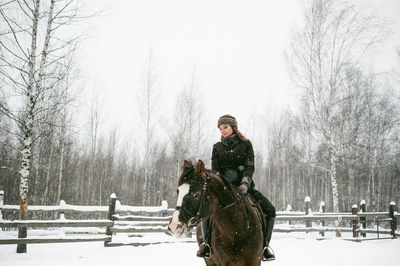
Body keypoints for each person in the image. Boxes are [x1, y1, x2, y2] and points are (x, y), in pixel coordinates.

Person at [197, 114, 276, 261]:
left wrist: (245, 184)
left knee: (271, 210)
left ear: (233, 127)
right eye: (220, 128)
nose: (222, 131)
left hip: (245, 189)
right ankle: (206, 244)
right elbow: (216, 171)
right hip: (224, 192)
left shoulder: (246, 145)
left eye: (225, 127)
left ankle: (265, 246)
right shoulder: (217, 147)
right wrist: (224, 188)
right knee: (207, 212)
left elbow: (249, 166)